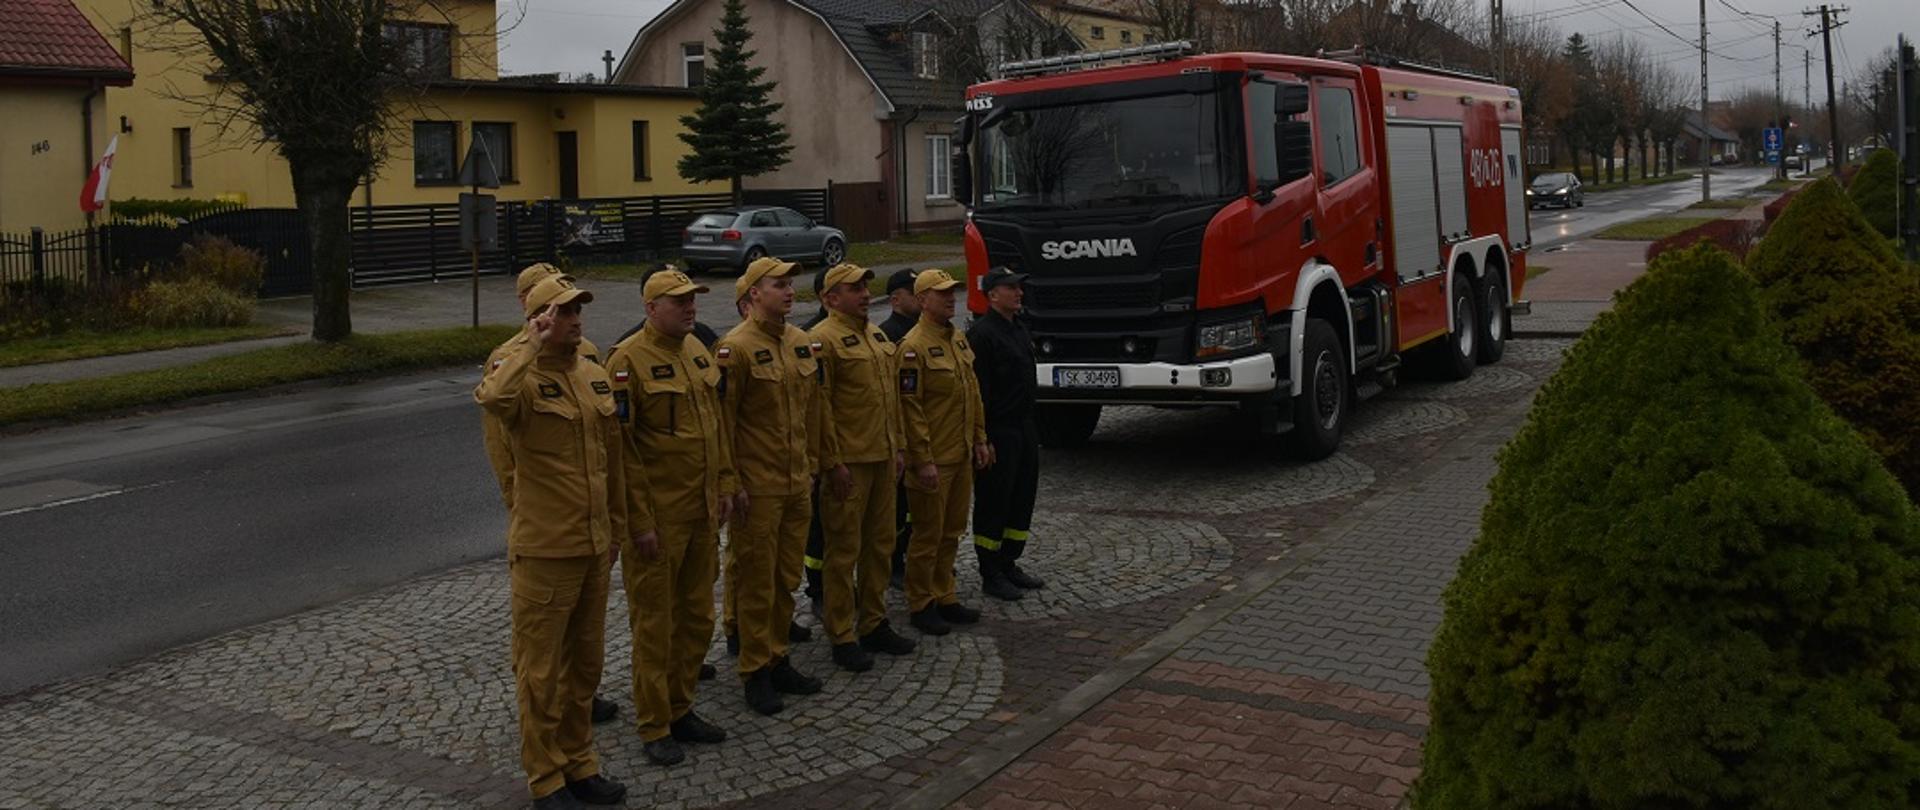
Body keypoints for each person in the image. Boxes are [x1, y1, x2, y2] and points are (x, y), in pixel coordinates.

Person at [473, 276, 630, 809]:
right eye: (563, 312)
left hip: (593, 545)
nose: (576, 319)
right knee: (540, 672)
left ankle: (580, 763)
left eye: (578, 309)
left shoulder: (591, 374)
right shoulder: (518, 376)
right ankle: (546, 779)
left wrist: (616, 528)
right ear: (539, 319)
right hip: (545, 549)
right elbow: (492, 399)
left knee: (585, 666)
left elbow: (610, 463)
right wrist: (530, 346)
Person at [606, 270, 735, 768]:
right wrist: (638, 522)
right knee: (655, 626)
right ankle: (654, 723)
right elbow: (622, 454)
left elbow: (714, 428)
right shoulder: (626, 362)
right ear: (651, 307)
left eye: (692, 299)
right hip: (659, 520)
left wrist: (724, 482)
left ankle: (681, 707)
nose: (690, 308)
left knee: (697, 617)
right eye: (678, 301)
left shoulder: (697, 350)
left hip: (700, 512)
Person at [716, 257, 829, 715]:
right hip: (757, 488)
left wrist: (814, 466)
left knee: (785, 579)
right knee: (756, 583)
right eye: (778, 284)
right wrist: (730, 481)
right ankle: (755, 670)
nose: (789, 291)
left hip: (796, 482)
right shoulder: (735, 348)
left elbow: (811, 413)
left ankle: (778, 656)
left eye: (790, 284)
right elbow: (723, 424)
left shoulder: (800, 342)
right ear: (753, 294)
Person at [808, 263, 919, 671]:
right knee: (842, 552)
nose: (865, 295)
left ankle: (874, 622)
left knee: (880, 546)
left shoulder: (876, 336)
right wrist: (832, 462)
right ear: (830, 298)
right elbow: (820, 409)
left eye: (865, 288)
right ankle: (842, 633)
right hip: (849, 465)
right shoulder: (821, 340)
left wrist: (899, 447)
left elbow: (891, 400)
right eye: (854, 289)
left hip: (883, 458)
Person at [896, 270, 992, 637]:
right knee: (927, 535)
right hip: (933, 459)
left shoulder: (958, 339)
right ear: (922, 300)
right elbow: (910, 410)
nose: (951, 298)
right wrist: (922, 460)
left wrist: (979, 438)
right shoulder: (912, 347)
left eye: (952, 292)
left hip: (960, 453)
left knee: (952, 531)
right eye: (942, 294)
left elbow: (973, 393)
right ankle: (921, 602)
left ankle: (945, 593)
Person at [967, 267, 1046, 601]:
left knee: (1021, 496)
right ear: (992, 294)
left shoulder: (1018, 328)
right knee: (994, 500)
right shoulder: (982, 335)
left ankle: (1009, 560)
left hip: (1024, 426)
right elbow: (979, 392)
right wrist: (983, 438)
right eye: (1011, 288)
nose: (1019, 293)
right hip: (999, 429)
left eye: (1019, 287)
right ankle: (990, 570)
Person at [878, 268, 922, 587]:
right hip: (899, 437)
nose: (919, 297)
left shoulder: (924, 331)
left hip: (923, 436)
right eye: (912, 292)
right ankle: (894, 562)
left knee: (917, 507)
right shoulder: (888, 335)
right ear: (895, 299)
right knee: (897, 508)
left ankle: (914, 557)